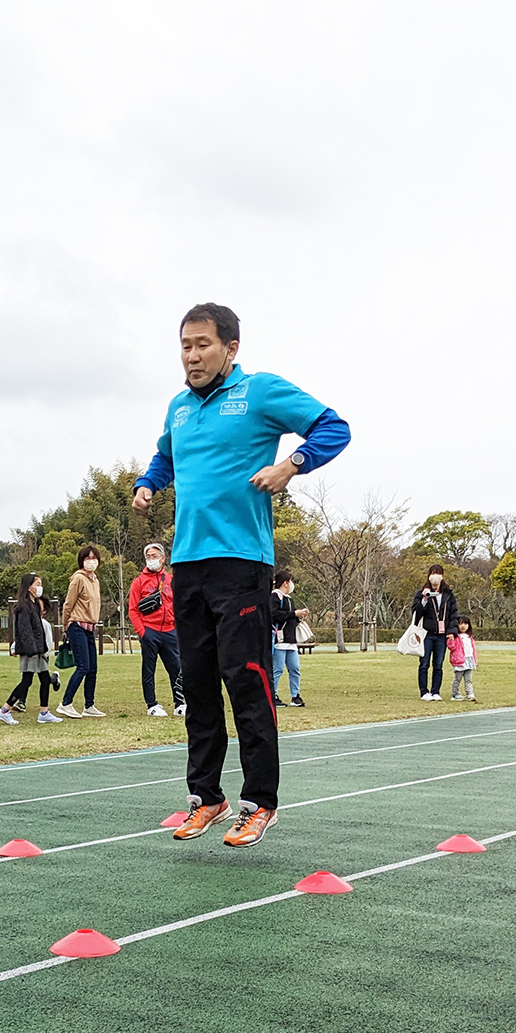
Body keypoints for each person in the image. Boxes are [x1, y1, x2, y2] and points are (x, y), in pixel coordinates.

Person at [133, 302, 349, 844]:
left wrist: (290, 465)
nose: (192, 355)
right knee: (198, 684)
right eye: (185, 346)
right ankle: (206, 797)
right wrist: (148, 482)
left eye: (203, 344)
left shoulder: (259, 392)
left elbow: (334, 427)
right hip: (187, 564)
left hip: (242, 562)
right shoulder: (178, 408)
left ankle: (260, 801)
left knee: (246, 680)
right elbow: (165, 457)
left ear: (230, 348)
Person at [0, 573, 63, 725]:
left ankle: (44, 712)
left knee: (45, 680)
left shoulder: (33, 605)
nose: (40, 587)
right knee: (26, 681)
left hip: (37, 650)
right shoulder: (23, 607)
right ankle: (4, 710)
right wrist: (32, 650)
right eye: (37, 584)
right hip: (30, 651)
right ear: (29, 586)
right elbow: (25, 631)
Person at [127, 541, 185, 717]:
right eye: (148, 557)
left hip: (169, 630)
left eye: (154, 556)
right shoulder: (139, 582)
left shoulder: (171, 580)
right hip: (150, 630)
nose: (151, 560)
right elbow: (133, 609)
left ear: (163, 558)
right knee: (148, 669)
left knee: (176, 668)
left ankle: (180, 703)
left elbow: (178, 604)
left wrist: (176, 626)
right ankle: (151, 704)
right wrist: (143, 632)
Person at [57, 545, 105, 717]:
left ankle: (89, 705)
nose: (91, 561)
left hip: (90, 627)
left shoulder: (95, 580)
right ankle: (66, 703)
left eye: (94, 558)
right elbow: (68, 604)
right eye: (87, 558)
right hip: (77, 625)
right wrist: (65, 626)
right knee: (83, 666)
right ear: (81, 561)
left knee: (93, 667)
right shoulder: (78, 579)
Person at [411, 564, 458, 700]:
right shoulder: (421, 593)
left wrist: (452, 632)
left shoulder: (448, 595)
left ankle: (435, 691)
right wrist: (425, 599)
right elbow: (416, 612)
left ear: (442, 576)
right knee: (424, 663)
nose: (435, 576)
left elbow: (453, 614)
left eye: (438, 573)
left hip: (442, 635)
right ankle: (424, 692)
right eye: (433, 573)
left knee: (438, 664)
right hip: (426, 634)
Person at [270, 569, 308, 709]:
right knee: (277, 669)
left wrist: (298, 616)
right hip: (279, 640)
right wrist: (293, 614)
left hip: (291, 640)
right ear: (286, 583)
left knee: (295, 668)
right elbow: (274, 614)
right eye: (291, 581)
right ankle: (273, 696)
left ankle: (295, 696)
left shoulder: (288, 599)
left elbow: (291, 617)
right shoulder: (275, 597)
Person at [449, 616, 479, 701]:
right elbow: (451, 647)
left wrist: (475, 660)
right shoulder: (456, 637)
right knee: (457, 679)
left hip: (469, 660)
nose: (463, 626)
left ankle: (470, 694)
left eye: (465, 624)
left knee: (468, 679)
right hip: (460, 661)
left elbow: (473, 649)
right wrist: (451, 640)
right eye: (460, 624)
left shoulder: (469, 637)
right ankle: (455, 694)